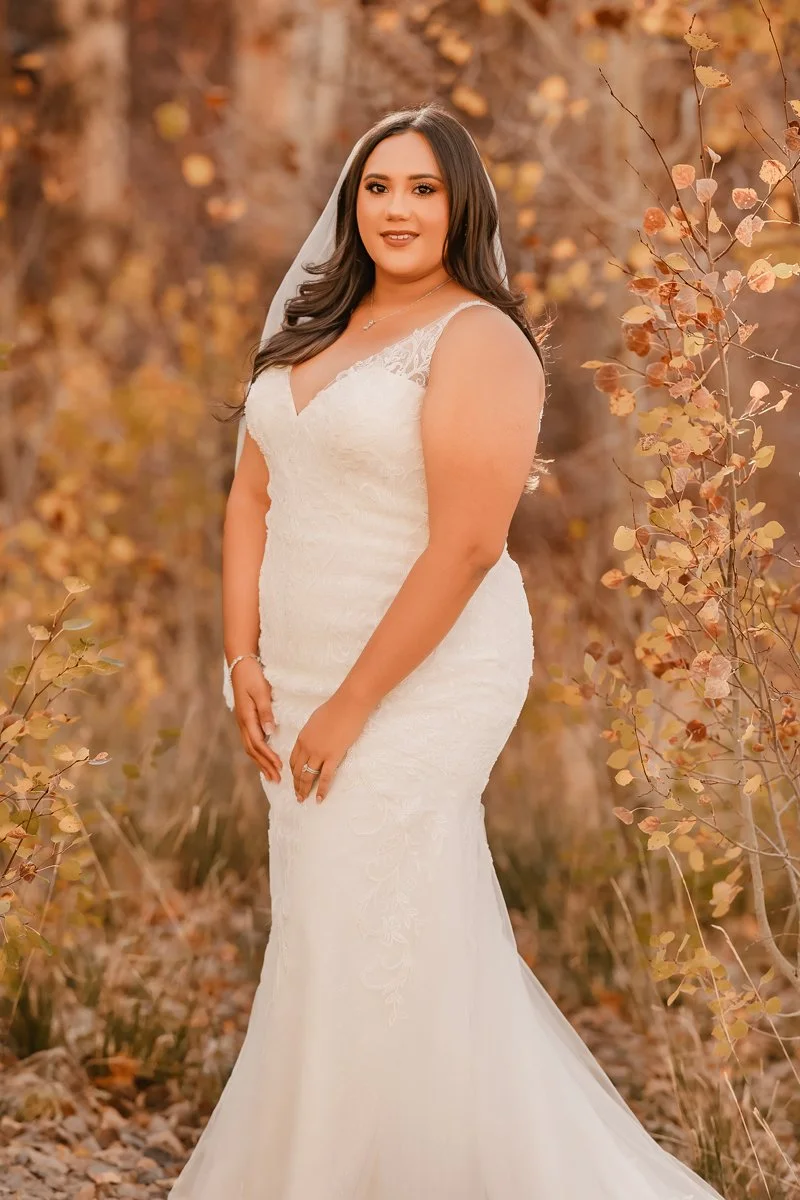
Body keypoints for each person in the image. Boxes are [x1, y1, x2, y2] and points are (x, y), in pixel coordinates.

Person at [169, 104, 725, 1199]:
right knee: (325, 926)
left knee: (383, 913)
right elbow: (250, 495)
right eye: (377, 187)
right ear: (351, 202)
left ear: (460, 203)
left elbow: (469, 544)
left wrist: (353, 703)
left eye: (423, 189)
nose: (397, 209)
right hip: (296, 671)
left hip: (424, 674)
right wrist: (241, 658)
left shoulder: (480, 340)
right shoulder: (310, 331)